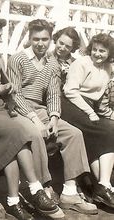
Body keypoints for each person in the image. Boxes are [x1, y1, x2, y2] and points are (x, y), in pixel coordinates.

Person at [0, 17, 63, 220]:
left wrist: (6, 88)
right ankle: (36, 188)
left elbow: (4, 86)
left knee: (15, 143)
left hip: (0, 107)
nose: (1, 40)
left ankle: (13, 201)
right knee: (19, 132)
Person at [7, 19, 98, 215]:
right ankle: (42, 188)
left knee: (73, 133)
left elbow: (53, 94)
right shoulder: (17, 59)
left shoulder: (52, 63)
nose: (40, 43)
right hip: (19, 110)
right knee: (36, 134)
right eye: (36, 39)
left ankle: (70, 193)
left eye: (45, 39)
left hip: (41, 110)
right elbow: (15, 95)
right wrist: (36, 120)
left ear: (50, 39)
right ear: (30, 38)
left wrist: (54, 119)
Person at [63, 33, 114, 208]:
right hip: (71, 104)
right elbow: (70, 91)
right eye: (95, 50)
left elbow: (99, 98)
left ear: (109, 53)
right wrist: (90, 112)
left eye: (102, 51)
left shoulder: (108, 68)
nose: (97, 54)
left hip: (89, 107)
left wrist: (106, 113)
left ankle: (101, 187)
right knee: (108, 131)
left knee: (105, 130)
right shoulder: (81, 63)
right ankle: (105, 185)